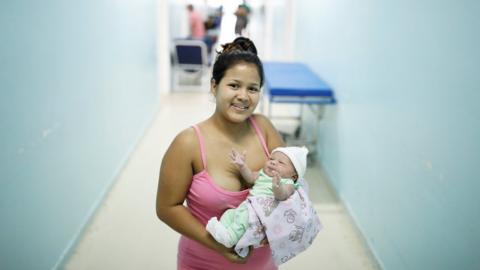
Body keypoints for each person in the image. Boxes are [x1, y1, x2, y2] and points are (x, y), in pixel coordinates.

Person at [156, 37, 284, 269]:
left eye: (252, 88)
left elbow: (291, 179)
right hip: (204, 261)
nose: (244, 96)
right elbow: (167, 208)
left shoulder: (264, 129)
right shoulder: (188, 143)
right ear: (214, 86)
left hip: (262, 263)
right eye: (234, 85)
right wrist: (219, 246)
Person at [206, 146, 309, 249]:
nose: (273, 162)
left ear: (294, 176)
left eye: (281, 163)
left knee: (243, 219)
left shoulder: (288, 183)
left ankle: (230, 239)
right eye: (271, 159)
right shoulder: (263, 174)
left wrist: (277, 187)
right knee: (230, 214)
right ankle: (223, 230)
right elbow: (250, 177)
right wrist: (242, 166)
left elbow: (283, 195)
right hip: (248, 206)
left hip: (259, 213)